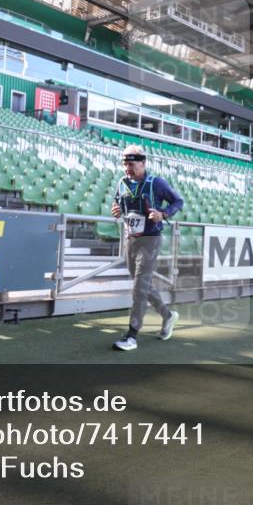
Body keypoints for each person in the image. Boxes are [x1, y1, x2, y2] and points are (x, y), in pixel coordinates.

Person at [109, 145, 184, 351]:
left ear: (143, 163)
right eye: (125, 164)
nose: (127, 169)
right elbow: (118, 203)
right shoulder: (122, 182)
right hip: (130, 239)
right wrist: (116, 209)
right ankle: (168, 316)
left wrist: (164, 214)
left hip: (150, 240)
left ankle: (132, 335)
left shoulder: (156, 183)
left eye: (131, 164)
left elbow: (178, 201)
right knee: (142, 284)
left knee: (139, 287)